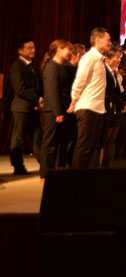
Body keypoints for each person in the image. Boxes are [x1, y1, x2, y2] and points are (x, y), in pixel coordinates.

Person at [70, 28, 111, 169]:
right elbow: (79, 81)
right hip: (87, 108)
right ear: (98, 40)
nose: (110, 43)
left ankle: (88, 177)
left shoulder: (100, 59)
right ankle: (77, 178)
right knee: (84, 147)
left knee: (93, 147)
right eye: (107, 40)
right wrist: (74, 101)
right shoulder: (89, 57)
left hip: (98, 109)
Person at [9, 38, 43, 175]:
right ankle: (17, 166)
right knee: (18, 138)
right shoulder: (16, 66)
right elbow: (20, 89)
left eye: (34, 47)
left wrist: (40, 100)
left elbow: (39, 85)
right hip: (21, 108)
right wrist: (38, 99)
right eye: (29, 48)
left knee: (38, 136)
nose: (33, 50)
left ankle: (44, 164)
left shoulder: (33, 64)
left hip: (34, 107)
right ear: (20, 51)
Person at [40, 39, 72, 178]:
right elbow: (52, 91)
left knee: (59, 142)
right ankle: (45, 173)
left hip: (61, 110)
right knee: (50, 143)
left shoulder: (61, 66)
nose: (70, 52)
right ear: (59, 50)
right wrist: (58, 112)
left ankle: (54, 170)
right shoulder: (52, 67)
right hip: (53, 111)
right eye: (68, 49)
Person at [99, 44, 126, 167]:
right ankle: (100, 166)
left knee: (111, 139)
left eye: (119, 57)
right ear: (107, 59)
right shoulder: (104, 71)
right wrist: (122, 104)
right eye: (116, 57)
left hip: (115, 110)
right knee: (104, 140)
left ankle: (107, 165)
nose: (119, 59)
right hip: (106, 109)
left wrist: (124, 104)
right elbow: (110, 93)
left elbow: (118, 91)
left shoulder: (114, 72)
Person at [57, 43, 85, 168]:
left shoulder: (74, 69)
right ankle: (62, 164)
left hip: (72, 106)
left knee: (72, 137)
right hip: (68, 108)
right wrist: (71, 104)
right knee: (65, 139)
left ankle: (67, 162)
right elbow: (66, 90)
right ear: (78, 55)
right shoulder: (68, 69)